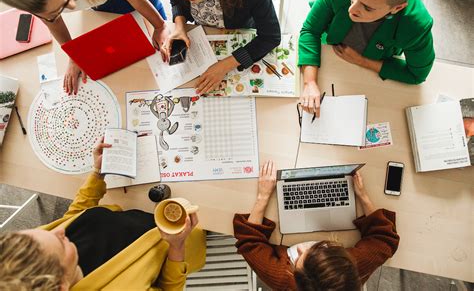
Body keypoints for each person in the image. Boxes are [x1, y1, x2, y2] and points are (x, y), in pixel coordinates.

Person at [0, 139, 206, 290]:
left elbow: (76, 217)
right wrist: (176, 245)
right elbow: (170, 288)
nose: (59, 231)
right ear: (62, 284)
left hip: (141, 213)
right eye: (61, 244)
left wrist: (98, 173)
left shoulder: (41, 245)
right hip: (182, 239)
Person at [233, 160, 400, 290]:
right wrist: (362, 196)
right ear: (344, 259)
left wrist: (263, 196)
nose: (300, 249)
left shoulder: (283, 280)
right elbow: (384, 240)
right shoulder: (348, 274)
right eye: (315, 250)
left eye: (299, 260)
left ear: (294, 277)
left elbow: (251, 244)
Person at [0, 0, 169, 95]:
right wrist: (75, 55)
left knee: (149, 13)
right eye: (57, 10)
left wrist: (160, 25)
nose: (72, 5)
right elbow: (54, 22)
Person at [299, 0, 435, 117]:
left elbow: (417, 75)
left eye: (368, 8)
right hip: (330, 58)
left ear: (397, 8)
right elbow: (310, 30)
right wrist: (310, 82)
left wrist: (362, 61)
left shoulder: (415, 26)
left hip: (370, 79)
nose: (352, 9)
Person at [163, 0, 281, 94]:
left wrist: (224, 66)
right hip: (204, 31)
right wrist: (179, 26)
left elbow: (271, 37)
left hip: (241, 31)